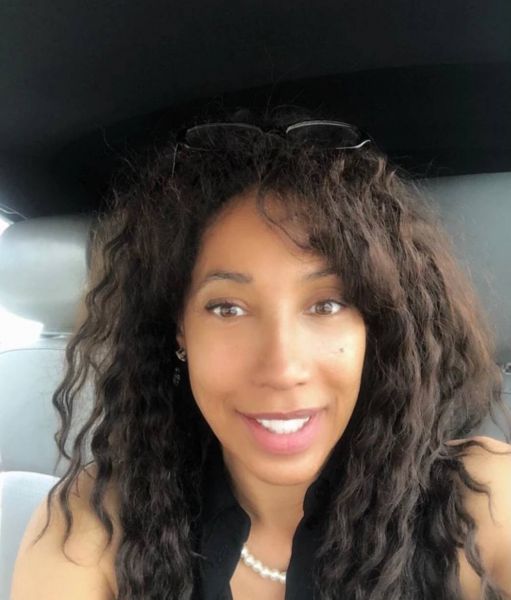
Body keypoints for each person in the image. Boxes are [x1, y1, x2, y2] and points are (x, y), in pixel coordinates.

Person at [10, 105, 511, 600]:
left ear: (374, 327)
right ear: (179, 330)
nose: (282, 368)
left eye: (327, 304)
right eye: (227, 308)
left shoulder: (483, 501)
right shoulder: (91, 526)